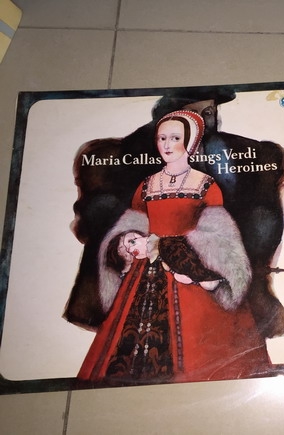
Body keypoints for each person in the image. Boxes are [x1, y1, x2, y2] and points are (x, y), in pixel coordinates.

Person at [77, 111, 271, 385]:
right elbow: (136, 221)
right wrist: (128, 238)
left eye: (175, 138)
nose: (167, 145)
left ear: (189, 143)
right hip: (144, 270)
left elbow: (218, 236)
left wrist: (170, 246)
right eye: (162, 138)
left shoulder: (205, 184)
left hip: (188, 268)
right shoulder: (147, 185)